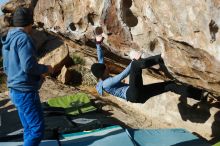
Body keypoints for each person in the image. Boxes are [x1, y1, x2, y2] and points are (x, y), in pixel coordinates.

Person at [91, 27, 199, 103]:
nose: (107, 68)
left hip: (138, 95)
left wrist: (98, 43)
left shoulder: (101, 75)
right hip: (132, 93)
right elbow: (122, 75)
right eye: (106, 69)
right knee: (135, 66)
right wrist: (133, 61)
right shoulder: (106, 84)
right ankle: (160, 57)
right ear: (103, 72)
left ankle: (199, 94)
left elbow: (100, 58)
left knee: (169, 85)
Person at [1, 7, 53, 146]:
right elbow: (29, 66)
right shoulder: (24, 38)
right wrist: (45, 68)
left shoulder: (8, 38)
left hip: (14, 89)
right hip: (25, 91)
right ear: (28, 23)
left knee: (29, 127)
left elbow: (7, 67)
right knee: (37, 129)